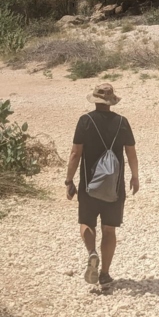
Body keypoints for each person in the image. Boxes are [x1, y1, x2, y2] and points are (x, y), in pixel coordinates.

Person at [65, 81, 139, 289]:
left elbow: (75, 153)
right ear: (111, 101)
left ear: (95, 100)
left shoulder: (85, 121)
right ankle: (105, 273)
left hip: (90, 185)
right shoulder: (122, 122)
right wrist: (135, 176)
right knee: (109, 230)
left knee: (87, 223)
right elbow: (131, 153)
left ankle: (92, 253)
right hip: (114, 186)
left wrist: (69, 181)